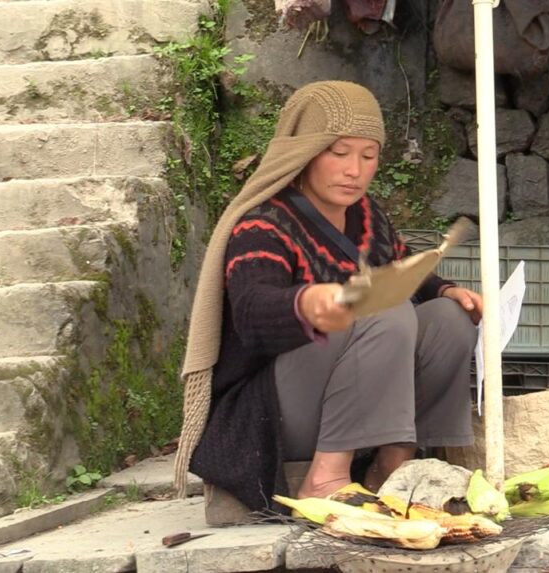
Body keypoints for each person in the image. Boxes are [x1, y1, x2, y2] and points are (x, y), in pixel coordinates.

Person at [173, 80, 482, 512]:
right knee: (382, 310)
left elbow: (404, 267)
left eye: (368, 155)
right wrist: (303, 303)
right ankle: (325, 477)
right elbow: (250, 312)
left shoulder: (368, 216)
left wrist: (448, 289)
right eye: (338, 153)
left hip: (357, 404)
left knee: (450, 320)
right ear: (303, 154)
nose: (354, 169)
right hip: (275, 415)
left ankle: (394, 467)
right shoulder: (263, 225)